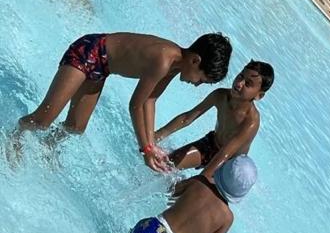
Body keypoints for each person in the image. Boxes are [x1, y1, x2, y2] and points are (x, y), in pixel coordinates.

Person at [16, 32, 232, 172]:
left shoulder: (174, 67)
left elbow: (150, 101)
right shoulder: (164, 60)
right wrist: (146, 149)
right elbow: (135, 105)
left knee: (75, 127)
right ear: (195, 61)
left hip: (101, 68)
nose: (197, 84)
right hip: (88, 52)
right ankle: (14, 137)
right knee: (43, 120)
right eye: (201, 79)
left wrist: (152, 143)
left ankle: (48, 145)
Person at [124, 155, 258, 233]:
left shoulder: (200, 182)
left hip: (152, 228)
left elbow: (173, 190)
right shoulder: (227, 218)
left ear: (222, 169)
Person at [154, 60, 274, 175]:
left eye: (248, 83)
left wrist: (198, 180)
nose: (239, 83)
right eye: (240, 76)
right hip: (211, 145)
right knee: (167, 163)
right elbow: (187, 118)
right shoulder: (220, 96)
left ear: (259, 95)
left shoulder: (251, 121)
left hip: (229, 165)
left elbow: (224, 155)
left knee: (195, 187)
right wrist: (155, 136)